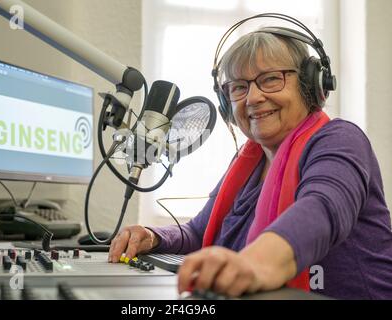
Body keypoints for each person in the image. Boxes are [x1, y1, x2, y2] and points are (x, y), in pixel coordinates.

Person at [108, 23, 392, 300]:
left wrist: (256, 262)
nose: (254, 98)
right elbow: (197, 231)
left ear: (310, 84)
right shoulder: (247, 164)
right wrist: (153, 236)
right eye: (239, 87)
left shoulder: (340, 139)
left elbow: (322, 208)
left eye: (271, 79)